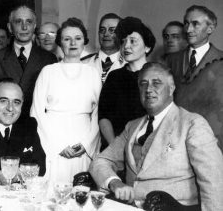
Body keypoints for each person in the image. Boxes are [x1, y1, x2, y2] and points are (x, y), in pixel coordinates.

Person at [90, 62, 223, 211]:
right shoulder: (132, 126)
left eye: (157, 83)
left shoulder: (192, 124)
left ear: (171, 89)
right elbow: (101, 161)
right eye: (143, 84)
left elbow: (213, 181)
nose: (148, 89)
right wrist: (115, 182)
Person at [31, 17, 101, 183]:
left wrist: (85, 144)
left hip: (83, 141)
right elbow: (37, 111)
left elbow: (99, 113)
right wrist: (58, 145)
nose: (72, 43)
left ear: (84, 41)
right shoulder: (48, 71)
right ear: (60, 43)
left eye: (78, 38)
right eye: (67, 39)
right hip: (53, 141)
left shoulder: (92, 73)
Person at [166, 5, 223, 149]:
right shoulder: (172, 60)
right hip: (175, 140)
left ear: (210, 28)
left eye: (195, 24)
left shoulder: (221, 60)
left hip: (212, 141)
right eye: (186, 23)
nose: (188, 29)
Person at [0, 5, 58, 117]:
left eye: (29, 22)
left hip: (38, 124)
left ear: (34, 26)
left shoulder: (49, 59)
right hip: (6, 122)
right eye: (18, 22)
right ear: (10, 27)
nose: (24, 27)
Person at [99, 17, 155, 146]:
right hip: (117, 146)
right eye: (123, 42)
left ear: (147, 47)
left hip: (149, 147)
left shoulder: (158, 75)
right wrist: (115, 146)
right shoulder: (114, 77)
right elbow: (104, 117)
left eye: (133, 41)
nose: (126, 46)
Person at [82, 13, 125, 83]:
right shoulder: (83, 63)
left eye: (112, 30)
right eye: (102, 30)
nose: (106, 34)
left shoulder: (128, 64)